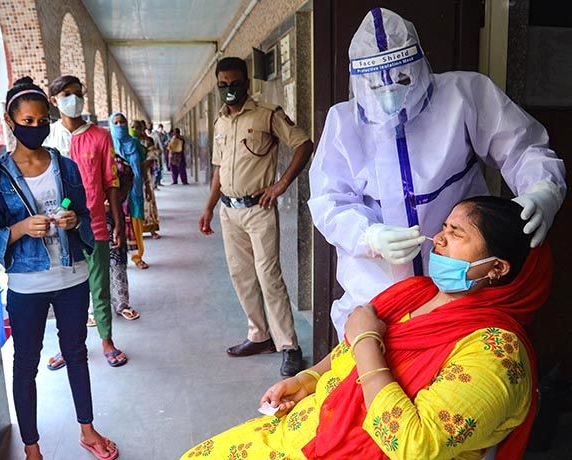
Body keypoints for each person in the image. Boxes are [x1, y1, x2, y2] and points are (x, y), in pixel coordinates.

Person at [183, 196, 551, 460]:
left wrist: (367, 341)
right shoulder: (416, 292)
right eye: (442, 228)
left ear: (497, 268)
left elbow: (412, 445)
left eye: (456, 233)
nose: (438, 239)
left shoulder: (495, 354)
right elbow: (347, 357)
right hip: (312, 428)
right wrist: (308, 379)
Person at [308, 8, 567, 338]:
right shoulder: (343, 124)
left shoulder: (464, 95)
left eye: (402, 79)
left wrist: (544, 189)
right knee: (376, 370)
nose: (390, 94)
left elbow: (523, 148)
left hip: (461, 285)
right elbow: (328, 201)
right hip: (378, 292)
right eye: (375, 85)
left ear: (419, 64)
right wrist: (367, 236)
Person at [0, 77, 118, 460]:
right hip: (26, 284)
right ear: (11, 120)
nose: (36, 127)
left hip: (71, 277)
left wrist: (75, 222)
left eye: (43, 120)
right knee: (25, 363)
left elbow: (86, 213)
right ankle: (32, 448)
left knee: (76, 353)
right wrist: (21, 228)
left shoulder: (66, 166)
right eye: (28, 120)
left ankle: (88, 431)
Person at [198, 57, 315, 377]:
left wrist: (282, 184)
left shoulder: (267, 115)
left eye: (234, 84)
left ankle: (289, 345)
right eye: (223, 86)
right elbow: (219, 170)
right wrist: (209, 206)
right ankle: (259, 335)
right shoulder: (221, 122)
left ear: (247, 82)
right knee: (241, 277)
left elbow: (303, 143)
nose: (229, 90)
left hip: (259, 211)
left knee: (269, 277)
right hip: (228, 211)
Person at [44, 75, 128, 368]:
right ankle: (69, 347)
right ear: (53, 101)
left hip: (93, 224)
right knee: (64, 291)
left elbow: (111, 182)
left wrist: (119, 221)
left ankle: (106, 341)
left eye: (78, 93)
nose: (74, 99)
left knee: (99, 286)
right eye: (66, 94)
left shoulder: (100, 137)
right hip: (55, 228)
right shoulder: (47, 138)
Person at [107, 113, 141, 320]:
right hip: (89, 215)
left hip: (117, 208)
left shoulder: (122, 161)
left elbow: (130, 174)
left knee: (117, 257)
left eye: (122, 122)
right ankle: (95, 309)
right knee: (92, 264)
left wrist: (116, 200)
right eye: (115, 123)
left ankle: (121, 302)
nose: (119, 126)